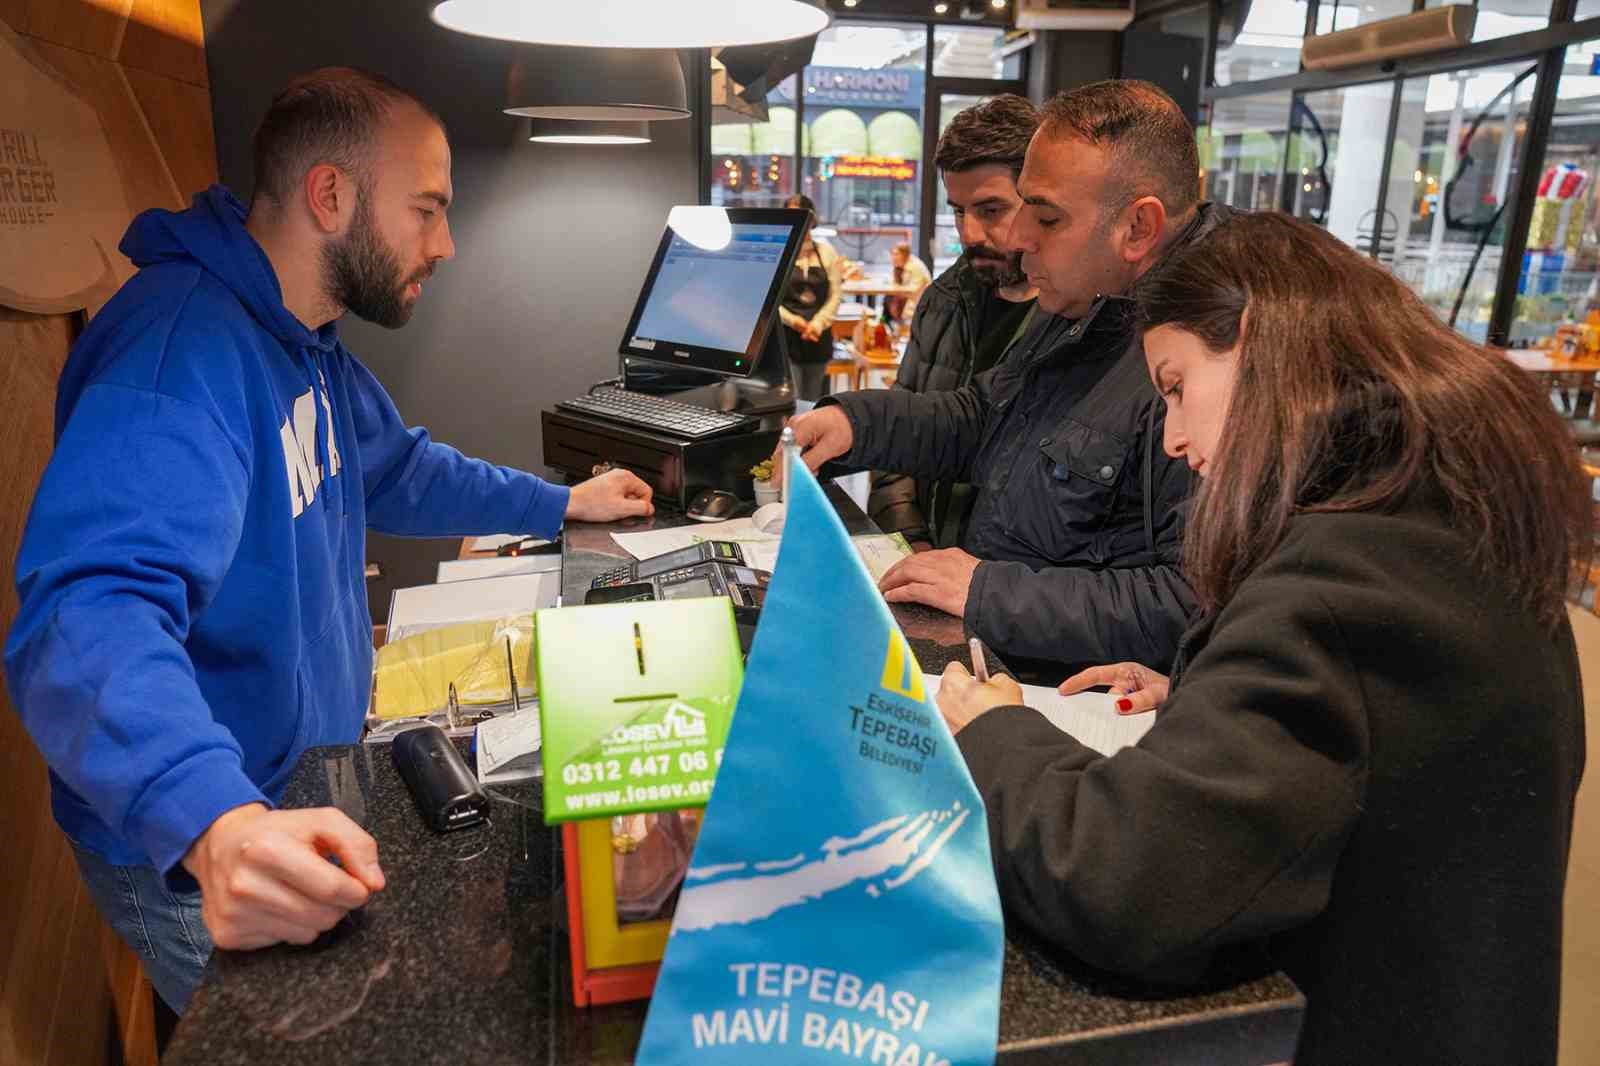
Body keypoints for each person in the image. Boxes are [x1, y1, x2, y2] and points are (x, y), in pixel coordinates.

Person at [3, 68, 653, 1014]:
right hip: (206, 837)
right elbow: (84, 614)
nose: (446, 243)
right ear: (331, 195)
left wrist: (560, 506)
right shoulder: (178, 356)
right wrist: (211, 819)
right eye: (427, 210)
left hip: (296, 779)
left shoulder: (301, 337)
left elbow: (400, 469)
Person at [935, 211, 1589, 1065]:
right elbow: (1375, 746)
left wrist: (992, 729)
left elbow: (1123, 878)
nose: (1171, 436)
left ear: (1253, 342)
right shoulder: (1441, 521)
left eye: (1176, 386)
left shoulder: (1347, 575)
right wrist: (1208, 690)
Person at [783, 81, 1224, 678]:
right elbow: (984, 416)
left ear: (1138, 229)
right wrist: (854, 421)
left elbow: (1189, 602)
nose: (1016, 239)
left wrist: (988, 591)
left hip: (1061, 693)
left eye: (1044, 217)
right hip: (992, 654)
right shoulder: (1088, 300)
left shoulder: (1219, 349)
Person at [868, 94, 1039, 551]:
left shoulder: (1077, 316)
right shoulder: (942, 300)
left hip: (1006, 594)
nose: (969, 234)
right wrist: (910, 545)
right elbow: (897, 444)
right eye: (959, 211)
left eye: (990, 211)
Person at [776, 193, 844, 402]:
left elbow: (835, 294)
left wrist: (817, 323)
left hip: (818, 334)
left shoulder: (827, 252)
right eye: (790, 215)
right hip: (787, 335)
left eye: (801, 215)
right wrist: (793, 320)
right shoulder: (779, 251)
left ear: (812, 219)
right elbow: (772, 299)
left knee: (816, 399)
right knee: (792, 400)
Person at [881, 240, 931, 326]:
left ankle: (887, 327)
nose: (893, 257)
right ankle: (886, 327)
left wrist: (895, 288)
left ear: (905, 255)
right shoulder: (899, 266)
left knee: (890, 300)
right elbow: (893, 282)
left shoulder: (915, 266)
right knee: (888, 299)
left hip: (918, 299)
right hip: (908, 297)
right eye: (892, 254)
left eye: (896, 254)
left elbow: (914, 289)